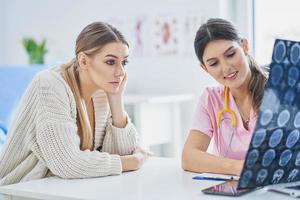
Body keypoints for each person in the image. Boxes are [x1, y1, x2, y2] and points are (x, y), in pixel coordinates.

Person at [0, 22, 150, 186]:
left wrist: (116, 99)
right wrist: (134, 161)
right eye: (110, 62)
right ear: (83, 61)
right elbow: (68, 164)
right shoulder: (49, 85)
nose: (121, 72)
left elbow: (121, 152)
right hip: (17, 189)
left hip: (65, 189)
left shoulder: (102, 89)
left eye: (124, 62)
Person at [182, 18, 268, 176]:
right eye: (214, 64)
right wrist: (240, 168)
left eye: (230, 54)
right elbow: (189, 157)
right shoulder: (211, 99)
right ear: (205, 68)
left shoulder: (279, 92)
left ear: (244, 46)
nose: (226, 68)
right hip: (231, 188)